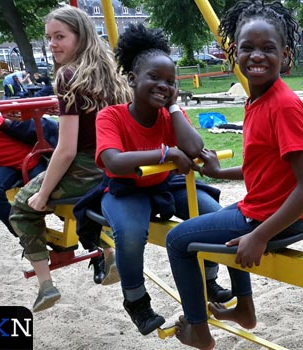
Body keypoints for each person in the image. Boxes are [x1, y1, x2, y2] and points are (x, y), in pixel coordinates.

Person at [165, 1, 303, 348]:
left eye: (268, 49)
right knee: (223, 221)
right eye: (248, 48)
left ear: (286, 55)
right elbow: (265, 167)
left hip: (280, 217)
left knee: (177, 242)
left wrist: (261, 236)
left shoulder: (283, 105)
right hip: (267, 208)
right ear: (233, 52)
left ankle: (199, 331)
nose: (257, 56)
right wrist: (220, 172)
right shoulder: (258, 100)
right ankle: (244, 309)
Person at [93, 23, 230, 336]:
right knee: (128, 235)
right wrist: (165, 153)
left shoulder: (170, 116)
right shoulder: (111, 116)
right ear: (131, 79)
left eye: (170, 82)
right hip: (127, 190)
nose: (163, 86)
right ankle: (136, 301)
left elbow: (195, 149)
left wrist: (174, 107)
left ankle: (209, 280)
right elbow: (114, 160)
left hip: (166, 185)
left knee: (214, 217)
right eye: (154, 77)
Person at [9, 6, 133, 313]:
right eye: (49, 37)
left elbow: (66, 149)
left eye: (60, 37)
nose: (52, 44)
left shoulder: (69, 76)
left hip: (88, 168)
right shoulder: (110, 69)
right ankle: (106, 253)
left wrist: (42, 193)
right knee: (84, 204)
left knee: (22, 207)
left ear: (81, 37)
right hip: (116, 163)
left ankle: (46, 287)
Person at [0, 113, 58, 237]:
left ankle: (89, 239)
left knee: (55, 194)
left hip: (29, 159)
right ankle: (24, 233)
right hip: (0, 167)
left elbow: (19, 126)